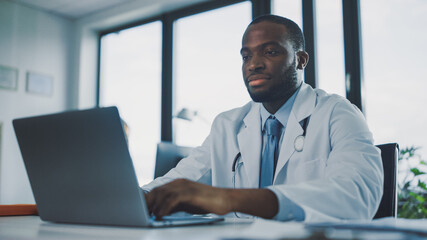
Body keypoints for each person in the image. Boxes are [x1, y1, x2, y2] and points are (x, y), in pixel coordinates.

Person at [142, 15, 383, 222]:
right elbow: (177, 184)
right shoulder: (227, 125)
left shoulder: (337, 113)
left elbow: (357, 194)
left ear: (301, 60)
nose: (254, 64)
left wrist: (227, 198)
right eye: (246, 56)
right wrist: (134, 198)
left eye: (270, 52)